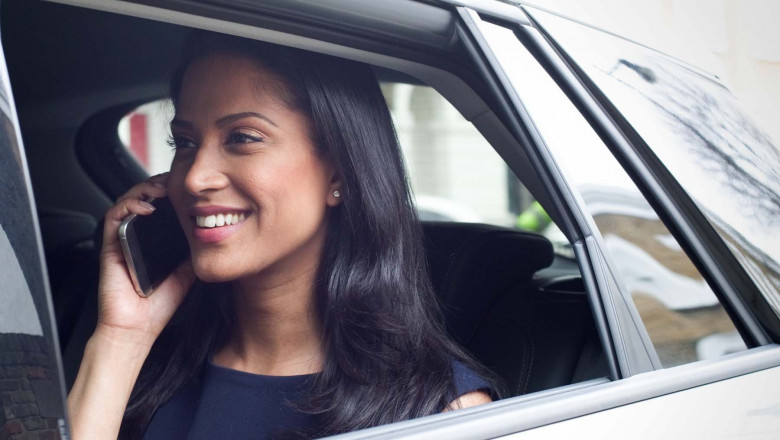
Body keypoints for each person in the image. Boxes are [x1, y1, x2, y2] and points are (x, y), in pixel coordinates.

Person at [66, 31, 497, 440]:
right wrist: (121, 338)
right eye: (185, 143)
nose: (195, 178)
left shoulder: (435, 411)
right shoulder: (146, 368)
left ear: (340, 171)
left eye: (243, 138)